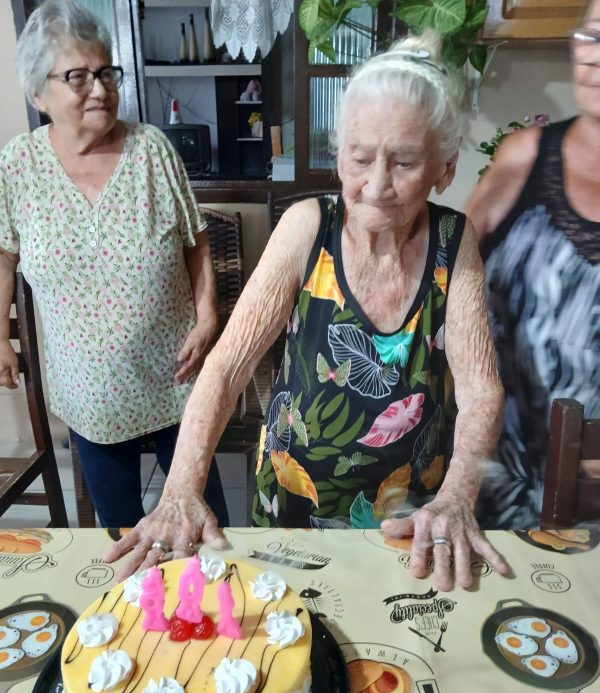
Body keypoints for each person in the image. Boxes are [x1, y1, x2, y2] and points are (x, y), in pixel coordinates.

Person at [104, 31, 509, 591]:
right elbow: (225, 367)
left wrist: (459, 497)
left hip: (413, 522)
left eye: (405, 163)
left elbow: (480, 386)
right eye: (360, 157)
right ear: (337, 154)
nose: (375, 185)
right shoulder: (308, 227)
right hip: (293, 509)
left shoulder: (452, 240)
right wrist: (179, 491)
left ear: (444, 167)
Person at [0, 0, 228, 529]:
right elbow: (5, 255)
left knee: (204, 524)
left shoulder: (151, 150)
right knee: (122, 531)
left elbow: (196, 241)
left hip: (176, 378)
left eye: (105, 72)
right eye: (77, 76)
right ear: (39, 92)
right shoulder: (18, 164)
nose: (100, 89)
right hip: (90, 395)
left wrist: (208, 315)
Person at [465, 0, 600, 530]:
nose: (594, 58)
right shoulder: (523, 156)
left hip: (591, 507)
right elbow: (443, 273)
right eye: (590, 37)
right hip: (490, 478)